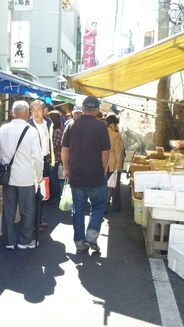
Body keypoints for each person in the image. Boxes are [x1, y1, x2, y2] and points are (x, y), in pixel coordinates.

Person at [61, 96, 111, 253]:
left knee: (78, 209)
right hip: (96, 174)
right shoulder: (101, 127)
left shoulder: (71, 125)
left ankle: (79, 242)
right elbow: (105, 152)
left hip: (76, 174)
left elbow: (65, 150)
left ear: (82, 108)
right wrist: (103, 169)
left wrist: (66, 168)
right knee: (97, 206)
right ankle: (91, 238)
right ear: (97, 111)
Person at [0, 101, 43, 250]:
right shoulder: (32, 131)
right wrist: (39, 175)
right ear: (27, 113)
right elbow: (37, 158)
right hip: (26, 177)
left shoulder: (3, 129)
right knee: (27, 210)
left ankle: (9, 241)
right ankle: (24, 241)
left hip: (8, 177)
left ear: (12, 113)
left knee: (9, 210)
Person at [28, 100, 55, 230]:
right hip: (32, 161)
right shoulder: (28, 125)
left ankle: (38, 220)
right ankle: (32, 223)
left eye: (39, 109)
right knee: (33, 193)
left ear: (44, 111)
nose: (36, 112)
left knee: (42, 191)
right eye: (33, 109)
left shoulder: (48, 123)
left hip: (45, 160)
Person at [105, 114, 123, 212]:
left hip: (103, 163)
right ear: (112, 124)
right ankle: (116, 207)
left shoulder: (101, 132)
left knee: (103, 186)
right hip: (113, 163)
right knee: (115, 186)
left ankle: (103, 207)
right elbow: (118, 152)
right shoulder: (115, 134)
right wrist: (119, 167)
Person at [48, 111, 63, 204]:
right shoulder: (56, 129)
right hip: (54, 158)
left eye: (50, 118)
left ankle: (57, 195)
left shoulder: (57, 131)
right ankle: (55, 195)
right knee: (53, 177)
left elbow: (54, 145)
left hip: (55, 159)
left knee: (53, 177)